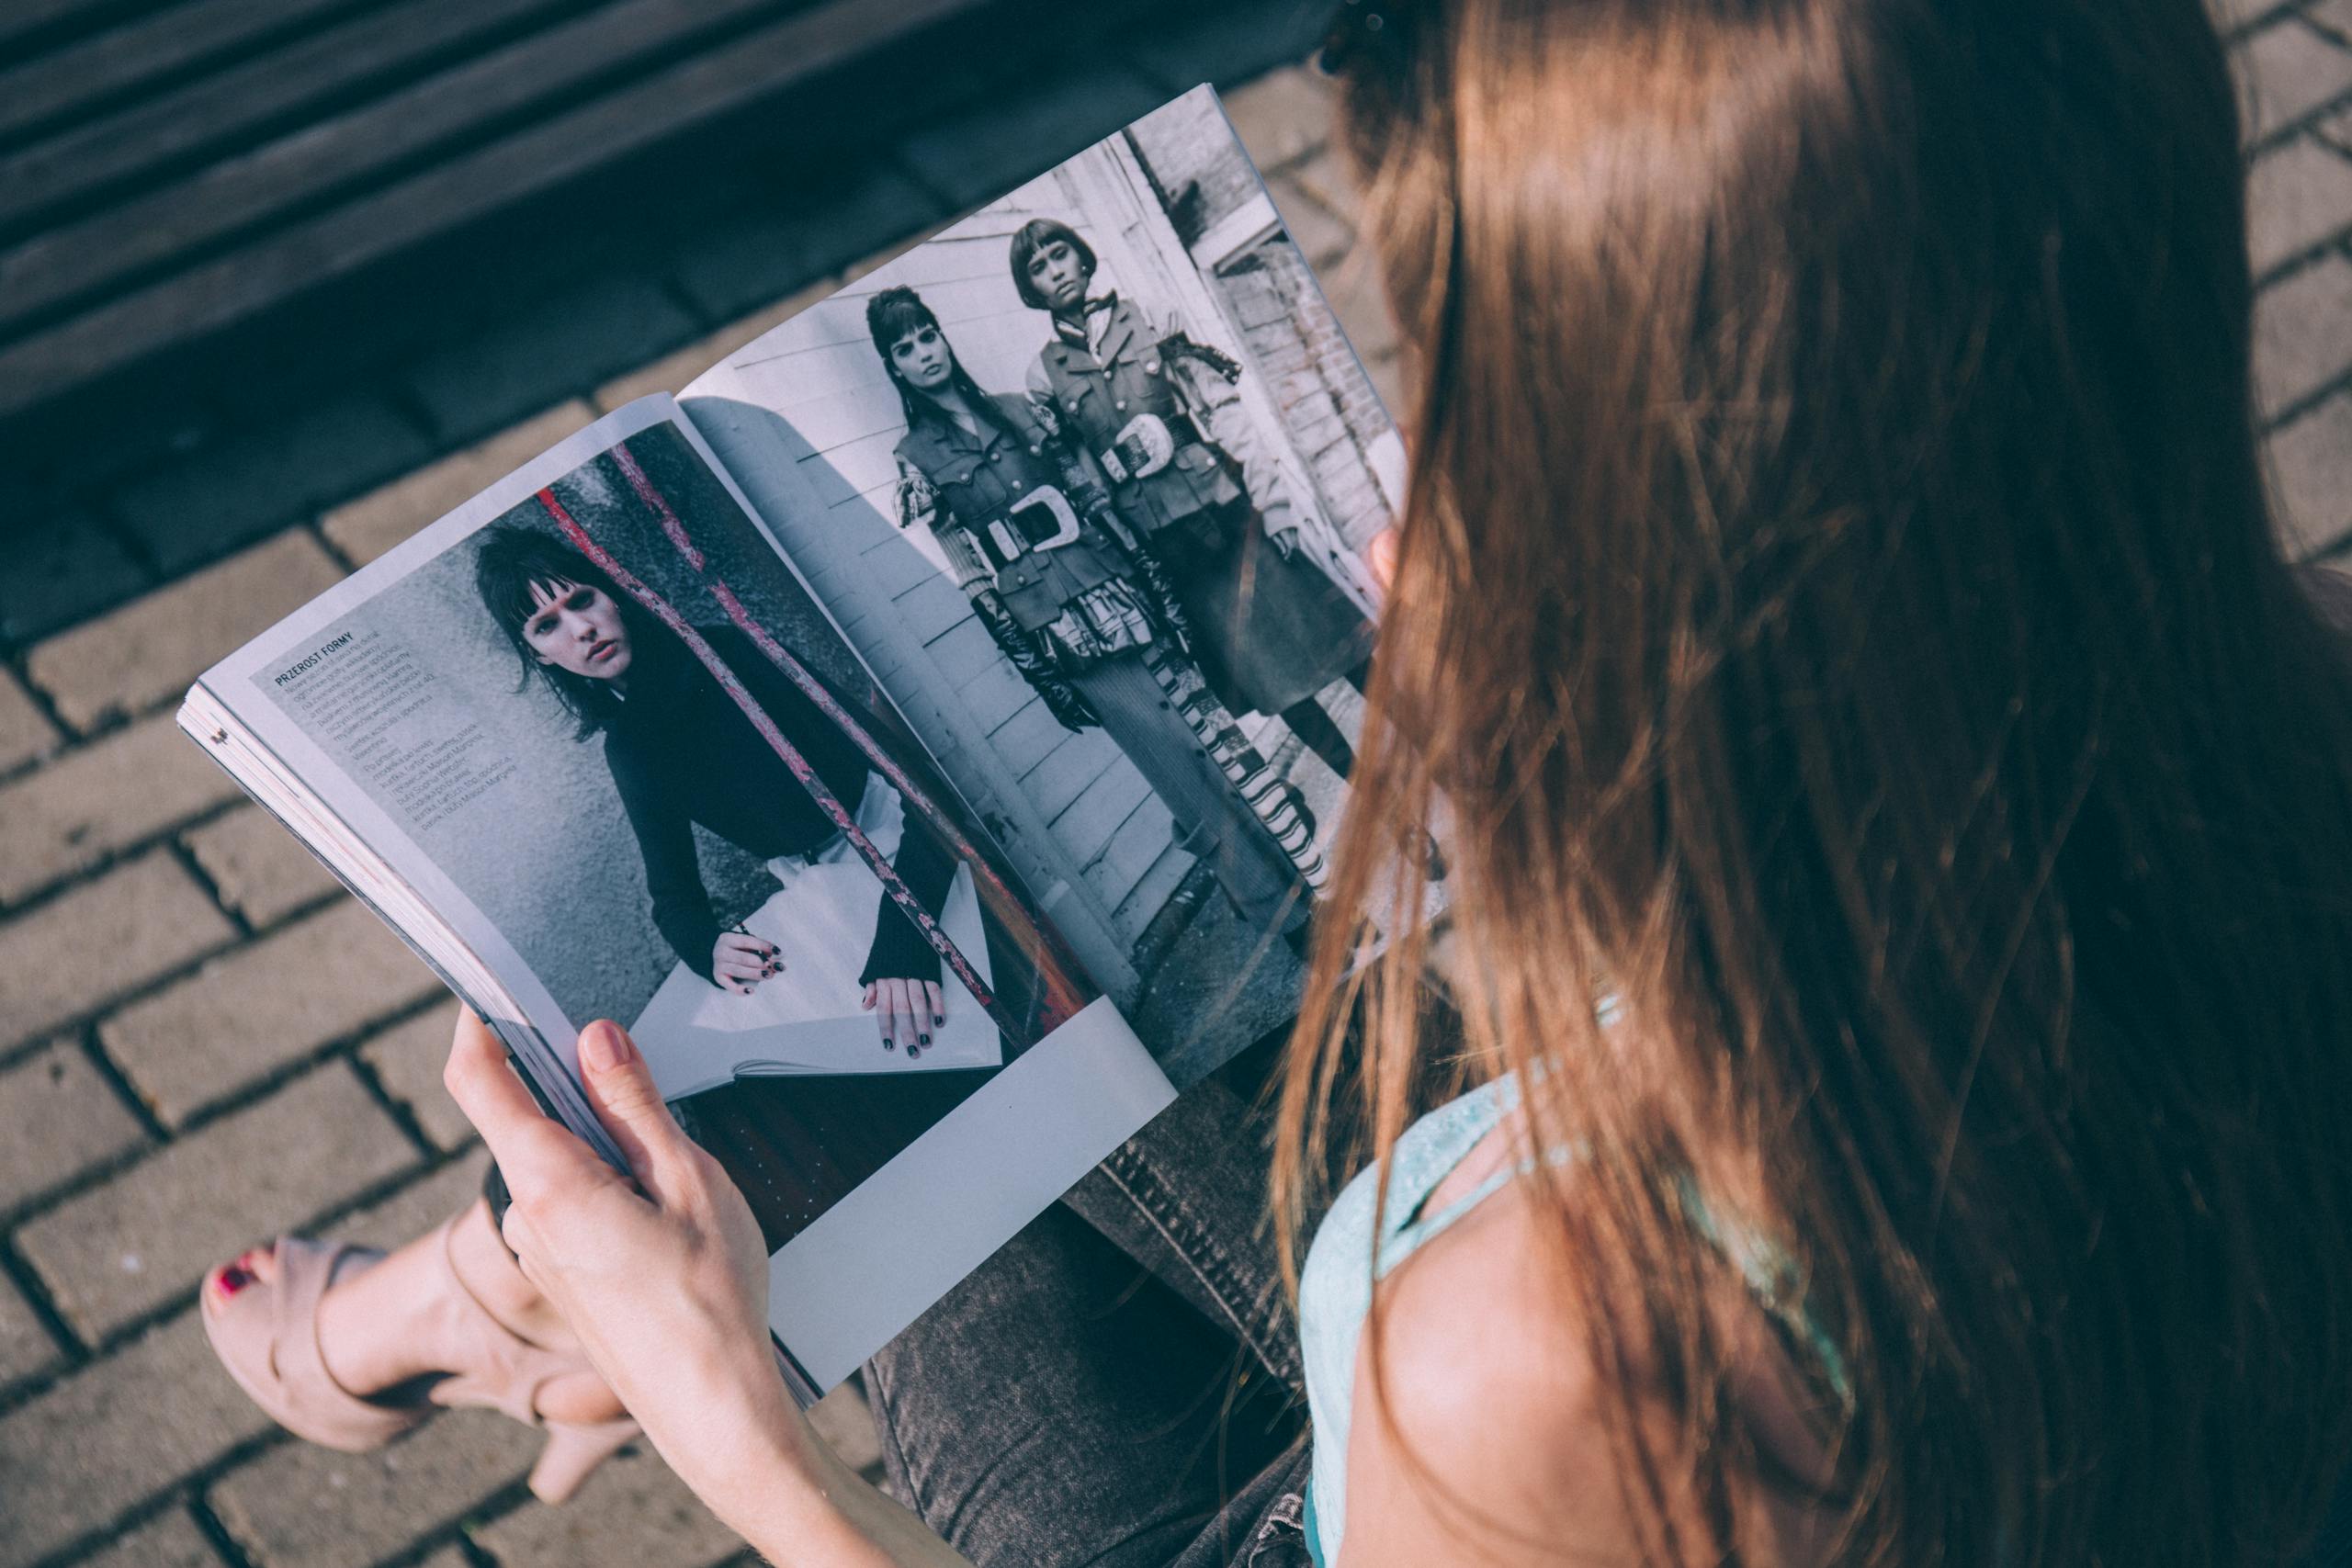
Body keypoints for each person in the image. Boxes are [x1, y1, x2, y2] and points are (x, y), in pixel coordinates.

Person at [199, 0, 2352, 1562]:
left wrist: (737, 1434)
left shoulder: (1543, 1357)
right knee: (943, 1033)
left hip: (1346, 1495)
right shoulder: (2233, 757)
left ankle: (482, 1313)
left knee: (822, 1138)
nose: (1396, 522)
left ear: (1712, 566)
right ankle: (470, 1302)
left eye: (1485, 427)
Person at [867, 283, 1317, 936]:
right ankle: (1288, 921)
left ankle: (1301, 870)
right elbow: (970, 573)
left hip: (1117, 589)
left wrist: (1153, 586)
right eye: (904, 348)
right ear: (895, 367)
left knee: (1214, 739)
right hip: (1061, 630)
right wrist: (1035, 667)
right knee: (1180, 776)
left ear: (943, 336)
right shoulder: (915, 463)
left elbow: (1091, 500)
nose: (923, 353)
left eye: (926, 335)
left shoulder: (1019, 411)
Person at [471, 527, 959, 1052]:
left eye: (583, 599)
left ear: (610, 593)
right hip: (820, 887)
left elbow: (918, 786)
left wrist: (908, 934)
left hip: (903, 837)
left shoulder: (728, 653)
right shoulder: (632, 747)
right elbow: (673, 896)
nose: (582, 629)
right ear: (540, 655)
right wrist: (709, 949)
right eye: (548, 626)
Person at [1011, 217, 1378, 784]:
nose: (1055, 271)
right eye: (1038, 267)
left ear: (1082, 258)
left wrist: (1274, 503)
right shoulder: (1043, 377)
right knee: (1277, 688)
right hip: (1175, 552)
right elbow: (1084, 477)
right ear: (1030, 287)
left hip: (1231, 514)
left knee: (1349, 647)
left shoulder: (1153, 317)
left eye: (1060, 254)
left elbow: (1223, 412)